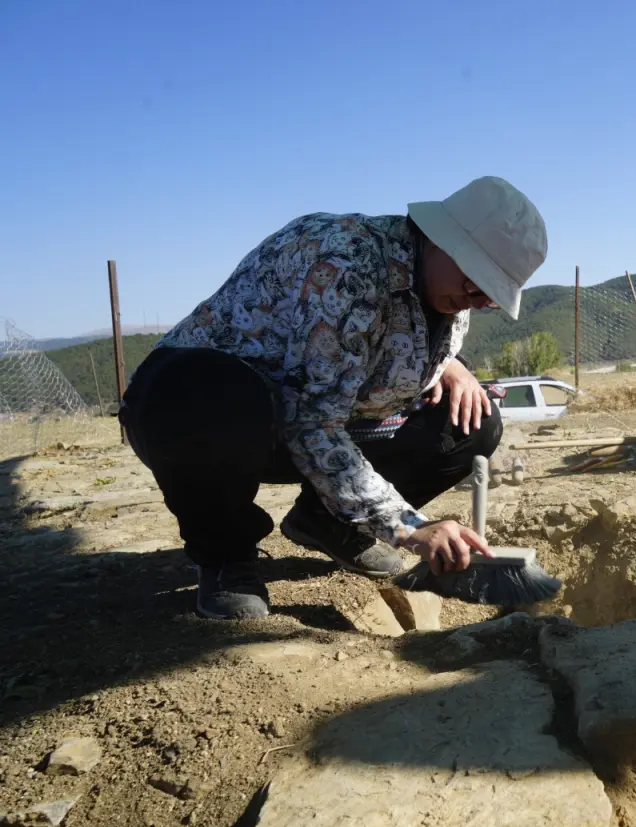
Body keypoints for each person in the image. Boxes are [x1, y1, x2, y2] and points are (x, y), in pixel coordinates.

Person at [119, 176, 548, 620]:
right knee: (223, 396)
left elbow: (377, 360)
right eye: (477, 283)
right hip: (193, 411)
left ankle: (326, 521)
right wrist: (410, 529)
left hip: (300, 423)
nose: (476, 302)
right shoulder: (347, 263)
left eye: (491, 298)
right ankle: (225, 554)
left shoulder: (446, 294)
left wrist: (450, 367)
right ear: (441, 241)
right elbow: (311, 422)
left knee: (472, 421)